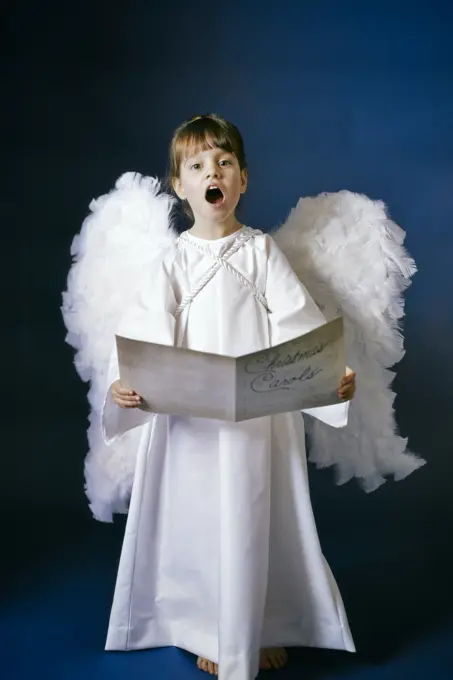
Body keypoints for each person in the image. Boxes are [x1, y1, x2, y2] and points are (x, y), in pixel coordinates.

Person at [103, 114, 356, 679]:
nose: (211, 172)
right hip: (190, 419)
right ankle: (210, 629)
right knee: (198, 518)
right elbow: (143, 338)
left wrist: (328, 378)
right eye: (196, 165)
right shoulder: (172, 261)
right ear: (180, 185)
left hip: (257, 418)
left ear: (243, 180)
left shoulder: (260, 252)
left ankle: (258, 626)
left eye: (223, 162)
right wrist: (129, 386)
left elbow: (297, 326)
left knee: (255, 516)